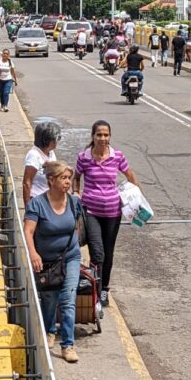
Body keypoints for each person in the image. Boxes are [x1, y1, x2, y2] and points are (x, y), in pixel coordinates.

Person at [73, 121, 140, 308]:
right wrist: (76, 192)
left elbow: (130, 176)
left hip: (112, 213)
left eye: (106, 135)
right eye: (99, 135)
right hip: (91, 212)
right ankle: (95, 288)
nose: (102, 138)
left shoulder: (117, 156)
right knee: (97, 252)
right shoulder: (84, 157)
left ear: (110, 136)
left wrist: (136, 198)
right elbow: (76, 177)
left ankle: (104, 289)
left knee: (108, 252)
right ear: (93, 136)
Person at [24, 161, 82, 363]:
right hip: (47, 261)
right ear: (50, 180)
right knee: (49, 300)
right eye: (63, 178)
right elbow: (28, 231)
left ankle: (68, 345)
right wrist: (33, 253)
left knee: (68, 299)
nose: (67, 182)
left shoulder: (73, 202)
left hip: (70, 257)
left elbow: (76, 227)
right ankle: (49, 330)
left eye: (69, 178)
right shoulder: (37, 204)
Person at [23, 122, 61, 207]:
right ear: (49, 140)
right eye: (57, 138)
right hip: (37, 200)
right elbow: (27, 183)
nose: (58, 141)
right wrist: (28, 208)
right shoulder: (34, 155)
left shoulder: (51, 153)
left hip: (49, 199)